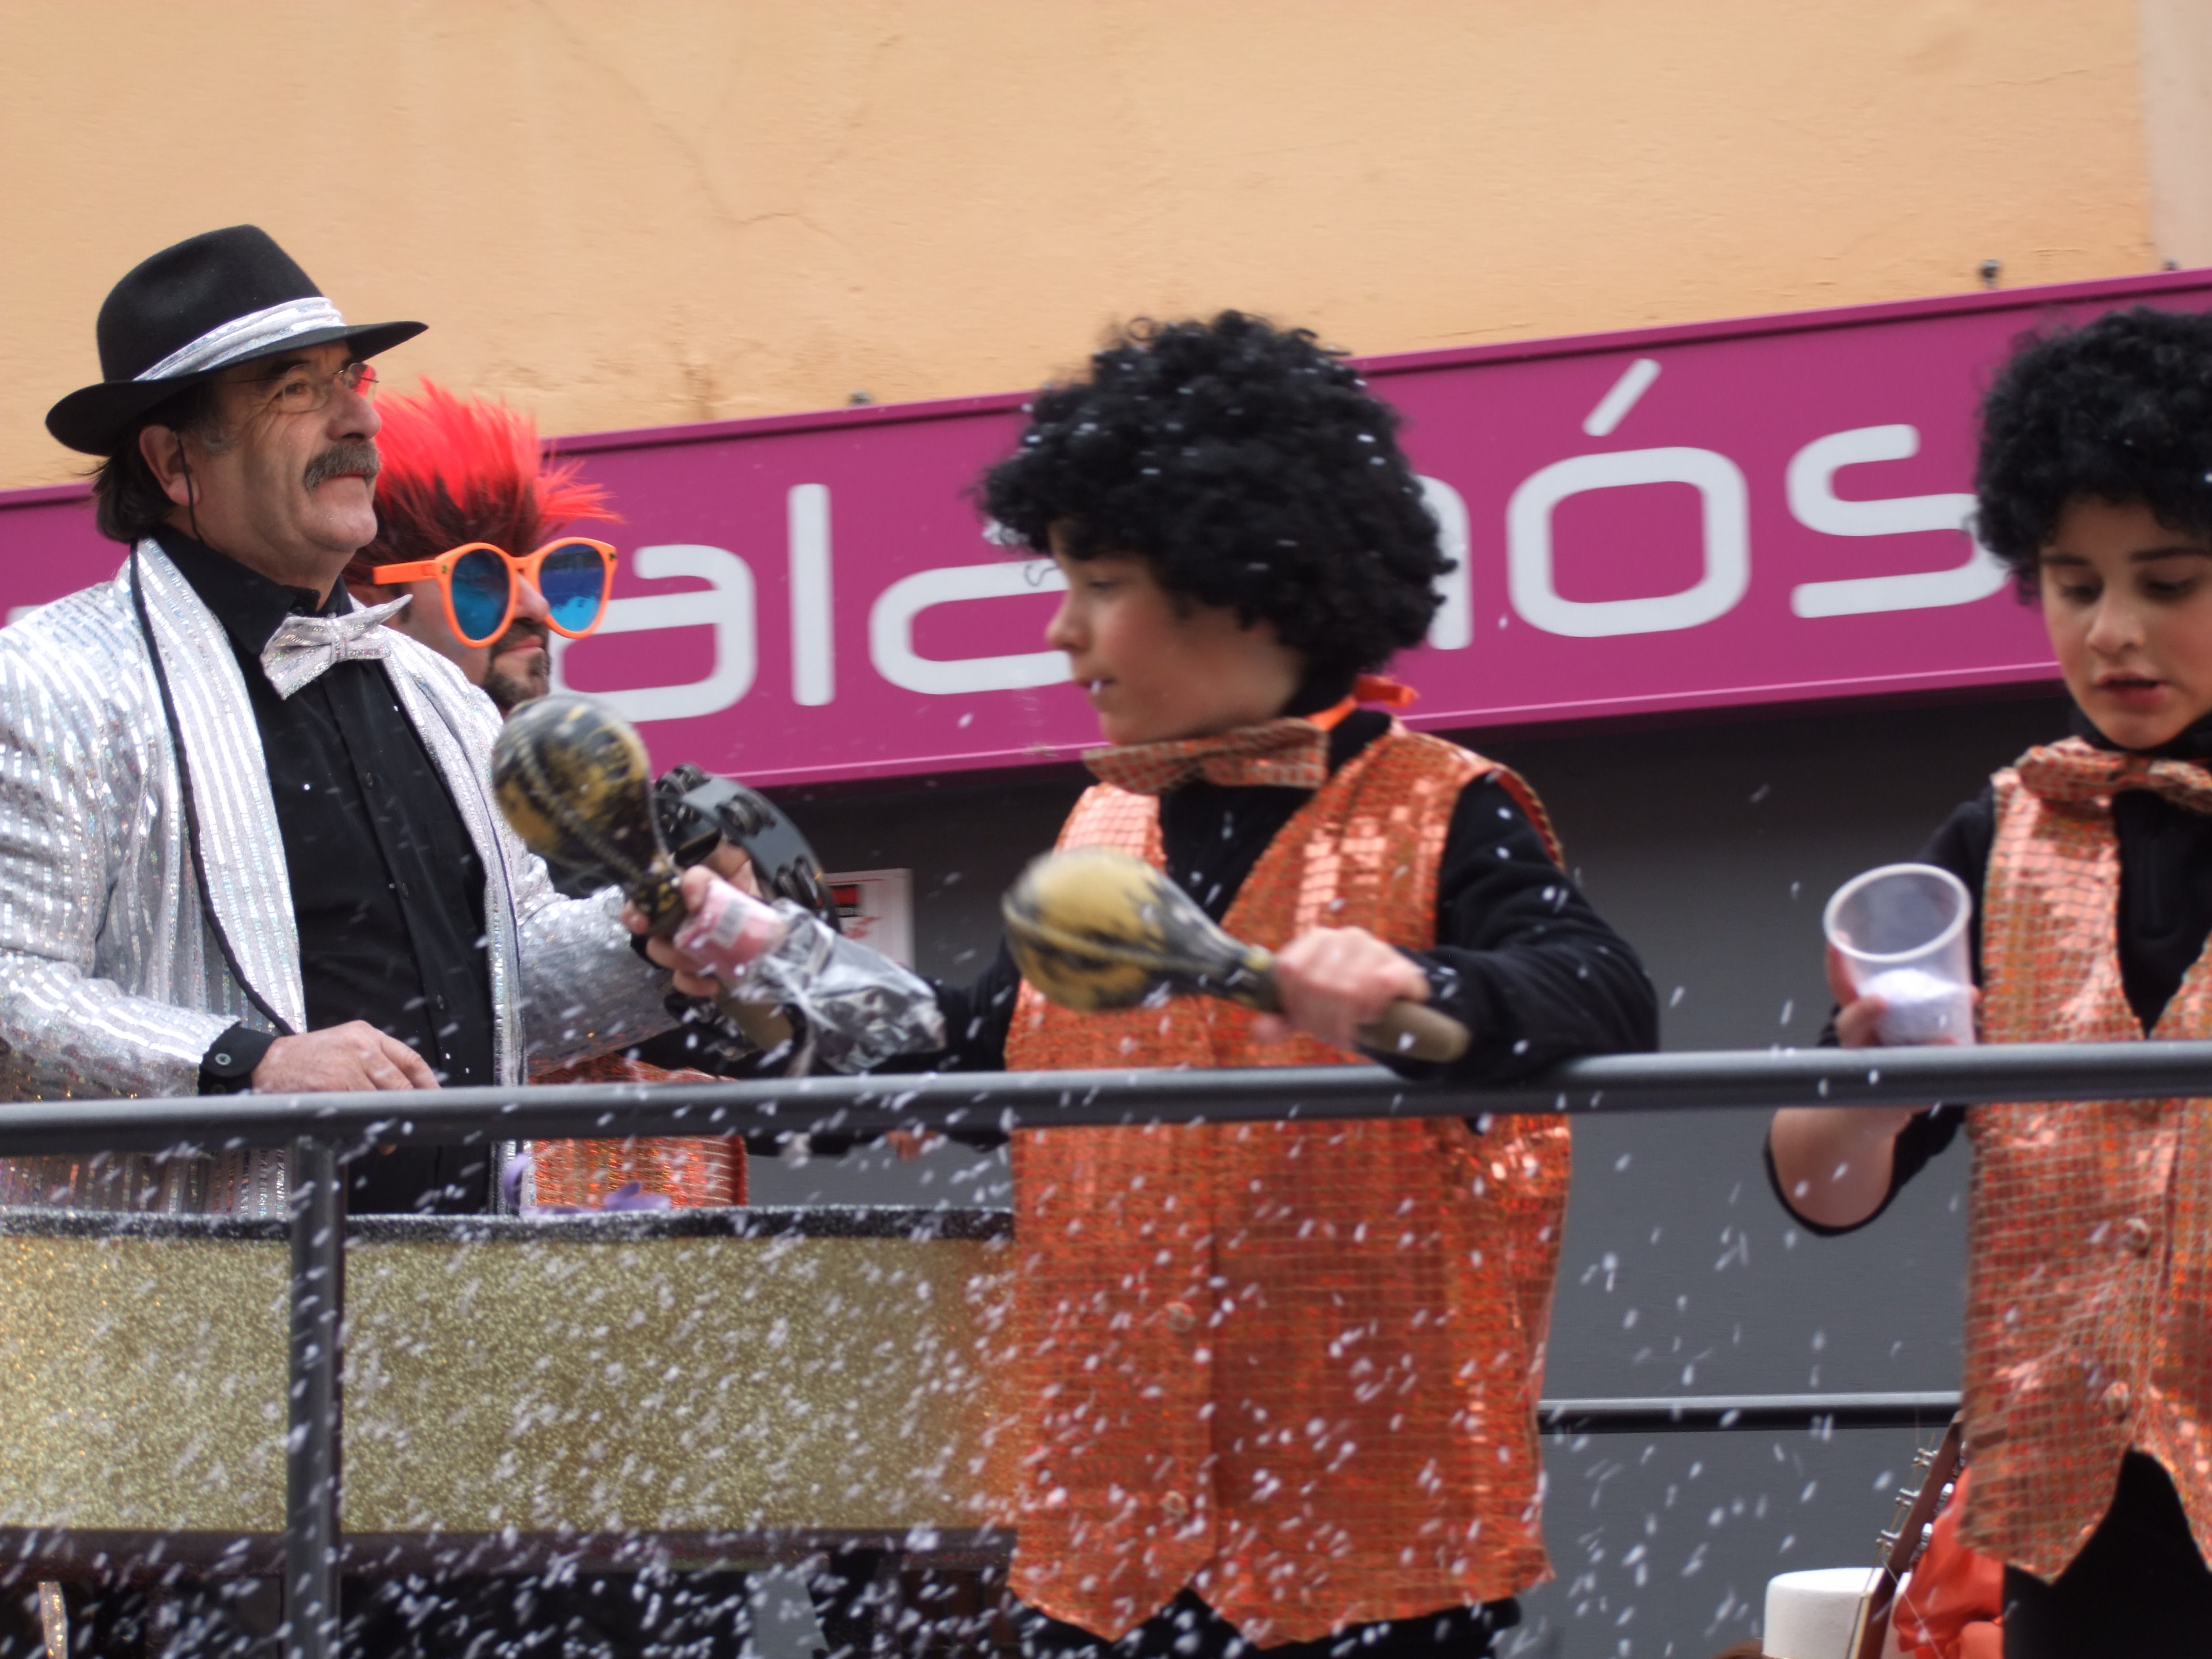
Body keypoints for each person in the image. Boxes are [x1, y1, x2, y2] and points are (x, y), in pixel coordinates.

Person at [642, 313, 1658, 1658]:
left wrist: (1417, 984)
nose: (1061, 629)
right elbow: (959, 1061)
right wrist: (755, 970)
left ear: (1246, 581)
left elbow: (1602, 991)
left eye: (1101, 582)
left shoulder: (1445, 808)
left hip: (1376, 1569)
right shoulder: (1098, 831)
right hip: (1106, 1569)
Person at [13, 224, 694, 1657]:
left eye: (350, 381)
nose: (355, 419)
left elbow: (517, 990)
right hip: (198, 1401)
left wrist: (659, 939)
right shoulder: (47, 682)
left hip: (461, 1357)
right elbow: (10, 994)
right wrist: (250, 1065)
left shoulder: (431, 691)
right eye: (293, 391)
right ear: (174, 461)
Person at [1766, 306, 2212, 1657]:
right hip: (2081, 1524)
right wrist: (1869, 1090)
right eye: (2074, 584)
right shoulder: (1993, 839)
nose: (2114, 630)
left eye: (2171, 582)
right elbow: (1821, 1193)